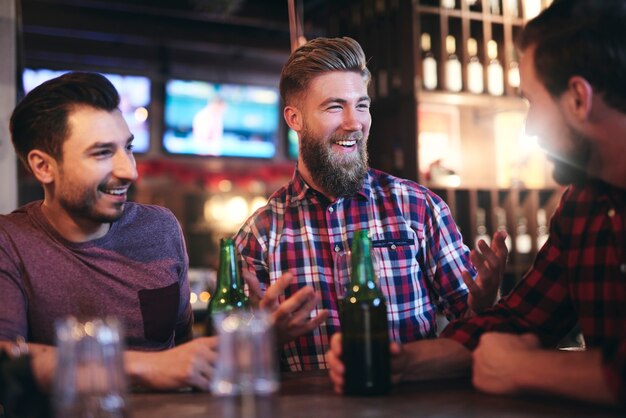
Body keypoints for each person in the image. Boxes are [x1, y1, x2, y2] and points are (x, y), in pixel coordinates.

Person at [327, 0, 626, 406]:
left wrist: (526, 368)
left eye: (533, 102)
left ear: (578, 98)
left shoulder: (419, 206)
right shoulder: (583, 206)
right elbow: (521, 318)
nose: (530, 126)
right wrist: (403, 361)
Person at [235, 36, 508, 371]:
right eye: (335, 107)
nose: (354, 123)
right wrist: (262, 338)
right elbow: (231, 361)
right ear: (295, 119)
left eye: (361, 105)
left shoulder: (418, 207)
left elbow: (475, 324)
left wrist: (485, 303)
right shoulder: (260, 235)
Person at [0, 72, 217, 391]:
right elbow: (5, 360)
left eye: (127, 148)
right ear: (43, 167)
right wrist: (143, 366)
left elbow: (184, 349)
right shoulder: (10, 241)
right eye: (102, 153)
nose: (130, 171)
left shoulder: (160, 227)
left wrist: (265, 329)